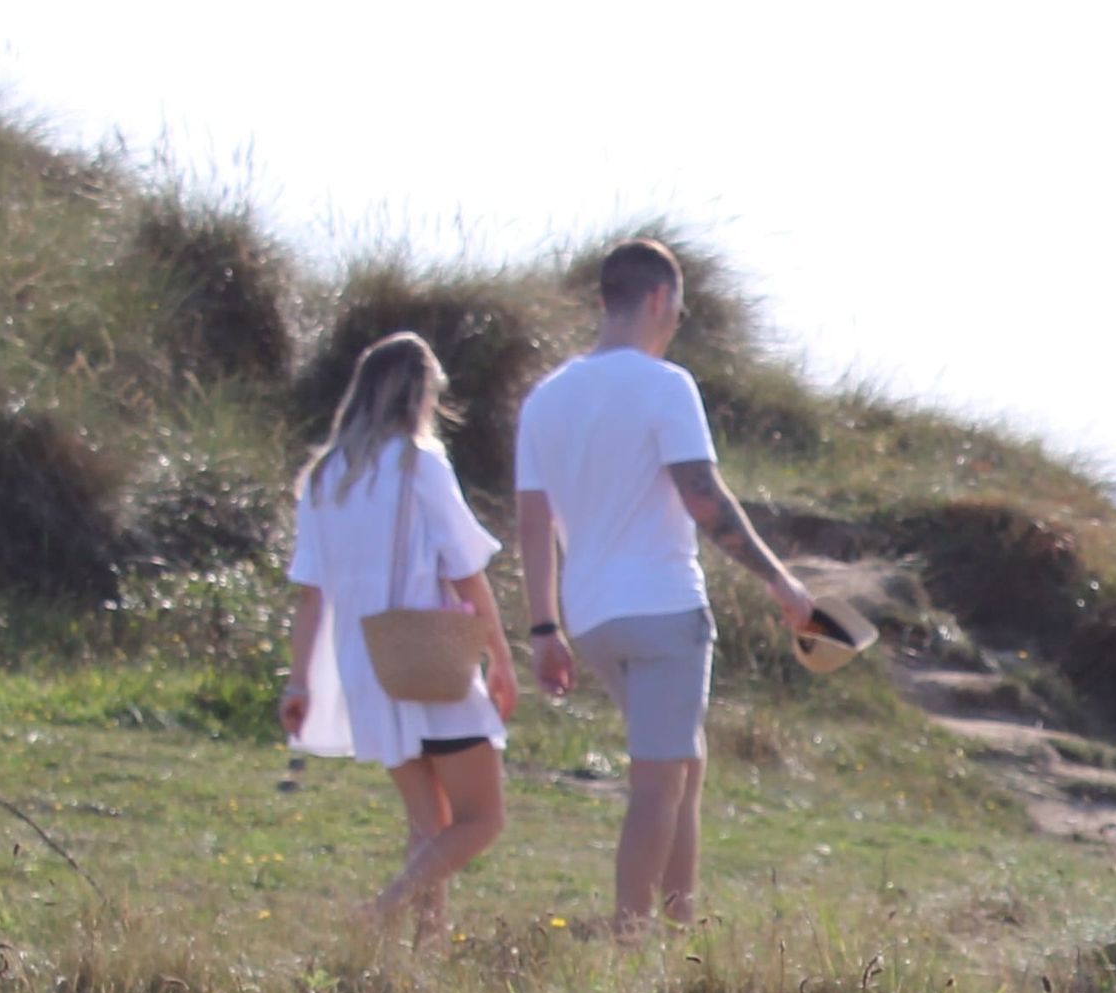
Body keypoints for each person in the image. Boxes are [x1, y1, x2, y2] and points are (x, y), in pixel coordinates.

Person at [515, 238, 815, 938]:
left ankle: (680, 923)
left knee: (685, 762)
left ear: (602, 301)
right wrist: (780, 580)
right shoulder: (665, 385)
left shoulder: (545, 398)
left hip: (592, 618)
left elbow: (532, 519)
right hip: (662, 607)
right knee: (657, 781)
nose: (677, 320)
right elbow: (703, 497)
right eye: (677, 306)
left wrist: (543, 627)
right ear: (658, 299)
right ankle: (633, 939)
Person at [279, 331, 520, 941]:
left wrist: (298, 678)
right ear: (419, 394)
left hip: (364, 666)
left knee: (428, 822)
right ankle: (381, 912)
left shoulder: (323, 477)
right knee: (481, 819)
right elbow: (466, 569)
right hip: (427, 659)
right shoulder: (419, 463)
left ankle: (421, 955)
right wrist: (500, 656)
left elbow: (311, 595)